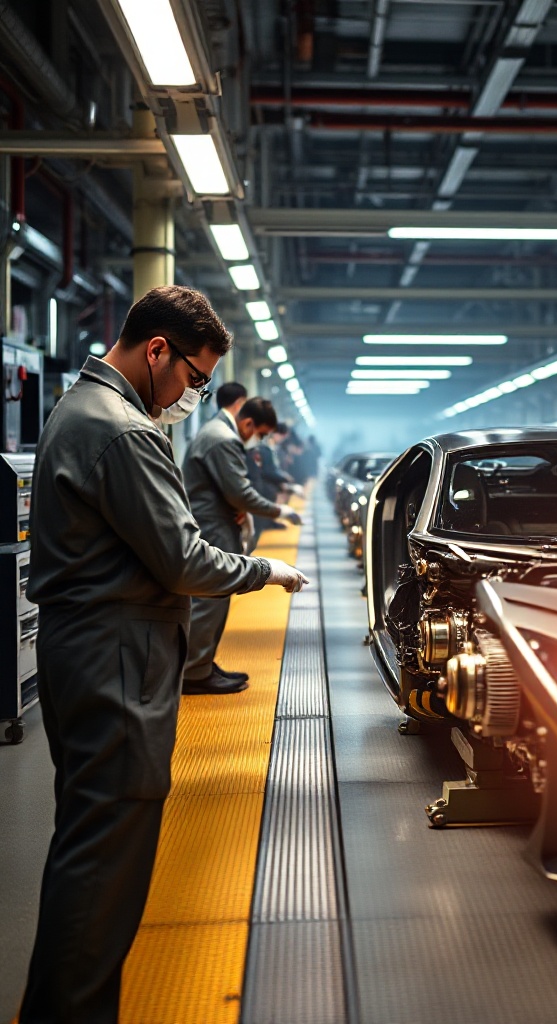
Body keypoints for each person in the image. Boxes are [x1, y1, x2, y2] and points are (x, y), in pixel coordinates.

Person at [20, 285, 308, 1024]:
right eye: (194, 377)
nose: (193, 395)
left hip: (90, 650)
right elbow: (181, 559)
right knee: (105, 864)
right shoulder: (124, 430)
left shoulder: (83, 409)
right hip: (116, 657)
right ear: (158, 350)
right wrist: (263, 570)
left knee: (90, 845)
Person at [181, 396, 302, 694]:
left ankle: (203, 664)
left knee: (217, 594)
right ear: (248, 423)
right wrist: (279, 510)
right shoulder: (223, 439)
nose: (259, 441)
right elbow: (240, 493)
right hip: (212, 524)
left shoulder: (217, 432)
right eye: (260, 434)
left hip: (217, 519)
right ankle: (194, 671)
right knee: (210, 596)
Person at [248, 421, 301, 544]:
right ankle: (267, 524)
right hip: (261, 486)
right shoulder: (264, 448)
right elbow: (268, 470)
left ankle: (268, 522)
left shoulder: (268, 447)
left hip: (261, 485)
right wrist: (284, 478)